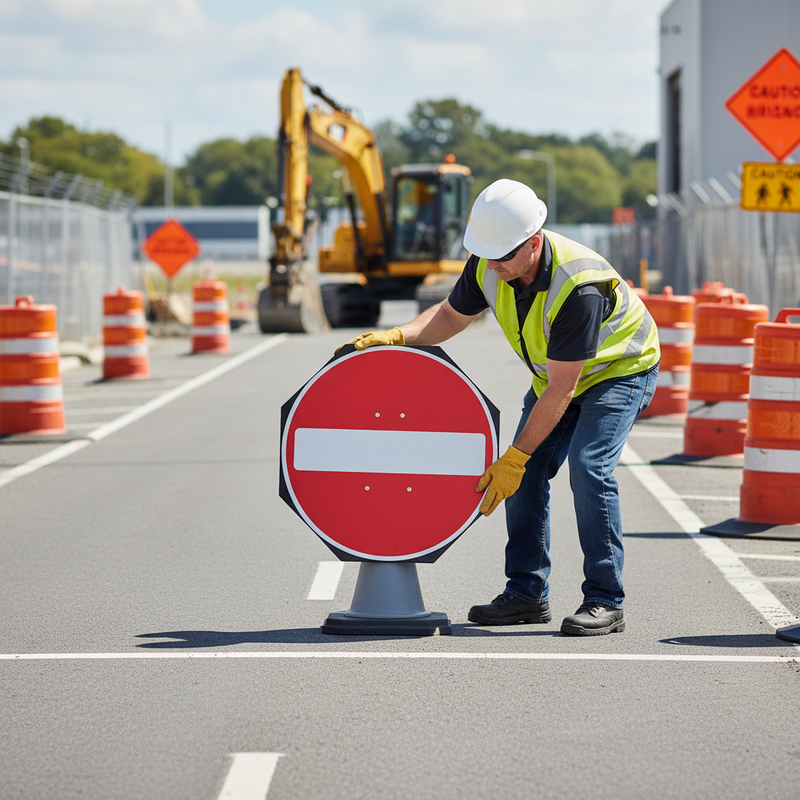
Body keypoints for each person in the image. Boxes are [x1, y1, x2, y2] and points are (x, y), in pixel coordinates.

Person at [339, 179, 660, 636]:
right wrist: (399, 335)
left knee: (588, 469)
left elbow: (562, 391)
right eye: (486, 254)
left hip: (619, 369)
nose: (494, 265)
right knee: (524, 473)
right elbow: (451, 315)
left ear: (534, 242)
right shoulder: (491, 261)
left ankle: (605, 599)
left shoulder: (579, 287)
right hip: (559, 377)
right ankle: (527, 593)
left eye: (504, 256)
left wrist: (516, 457)